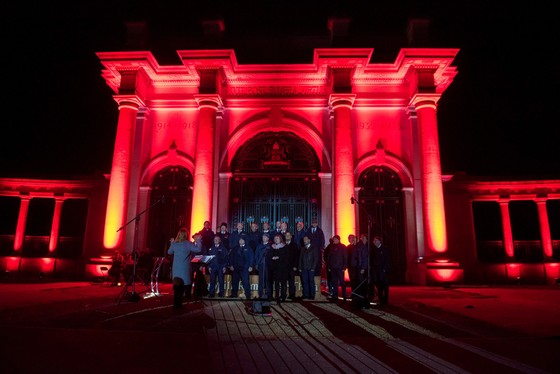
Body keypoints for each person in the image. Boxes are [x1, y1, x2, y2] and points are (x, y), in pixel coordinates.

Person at [167, 227, 201, 309]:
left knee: (176, 288)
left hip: (176, 269)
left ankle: (176, 305)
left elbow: (169, 252)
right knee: (182, 288)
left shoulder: (175, 244)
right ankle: (180, 304)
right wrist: (198, 240)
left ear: (178, 235)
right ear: (186, 235)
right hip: (184, 269)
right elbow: (198, 249)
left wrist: (172, 242)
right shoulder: (188, 244)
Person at [326, 235, 348, 301]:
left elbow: (345, 257)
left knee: (342, 282)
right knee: (334, 282)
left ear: (338, 239)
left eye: (335, 239)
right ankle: (335, 295)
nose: (334, 240)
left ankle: (344, 295)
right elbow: (329, 258)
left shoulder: (343, 247)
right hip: (333, 267)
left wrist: (344, 267)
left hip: (340, 267)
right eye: (333, 239)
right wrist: (329, 266)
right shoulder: (331, 247)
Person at [269, 233, 289, 302]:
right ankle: (277, 296)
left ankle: (283, 296)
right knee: (276, 283)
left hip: (283, 268)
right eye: (275, 239)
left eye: (277, 239)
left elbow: (286, 257)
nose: (275, 240)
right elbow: (270, 256)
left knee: (283, 283)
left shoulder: (284, 247)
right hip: (275, 268)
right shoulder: (273, 247)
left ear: (280, 239)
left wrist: (278, 257)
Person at [353, 234, 371, 308]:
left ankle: (363, 301)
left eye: (364, 238)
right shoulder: (359, 247)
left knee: (362, 285)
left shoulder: (362, 247)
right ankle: (360, 301)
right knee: (360, 285)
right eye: (361, 238)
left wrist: (363, 268)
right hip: (359, 267)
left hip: (361, 268)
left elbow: (364, 258)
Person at [299, 235, 318, 300]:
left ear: (309, 240)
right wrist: (300, 268)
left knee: (311, 281)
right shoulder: (302, 248)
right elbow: (300, 259)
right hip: (304, 267)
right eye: (304, 240)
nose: (305, 241)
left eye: (306, 239)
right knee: (304, 281)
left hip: (311, 268)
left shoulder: (313, 248)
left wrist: (313, 267)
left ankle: (312, 295)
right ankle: (306, 295)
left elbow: (315, 258)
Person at [372, 235, 390, 306]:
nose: (375, 242)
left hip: (383, 271)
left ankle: (385, 301)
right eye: (374, 240)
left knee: (385, 286)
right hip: (376, 271)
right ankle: (381, 299)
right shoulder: (374, 250)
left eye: (376, 240)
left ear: (380, 241)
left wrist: (385, 269)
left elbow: (387, 260)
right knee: (378, 286)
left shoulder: (384, 249)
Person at [254, 232, 272, 299]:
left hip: (268, 265)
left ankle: (268, 294)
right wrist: (256, 264)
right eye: (263, 237)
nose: (264, 238)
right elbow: (256, 255)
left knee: (268, 280)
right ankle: (260, 294)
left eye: (265, 237)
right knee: (261, 280)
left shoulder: (270, 246)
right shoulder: (259, 246)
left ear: (268, 238)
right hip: (261, 264)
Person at [284, 231, 299, 299]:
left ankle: (292, 294)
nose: (287, 236)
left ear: (291, 236)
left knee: (291, 281)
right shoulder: (283, 244)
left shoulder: (294, 245)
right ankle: (284, 294)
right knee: (284, 281)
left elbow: (296, 256)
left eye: (288, 235)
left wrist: (295, 266)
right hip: (284, 267)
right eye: (286, 235)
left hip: (292, 267)